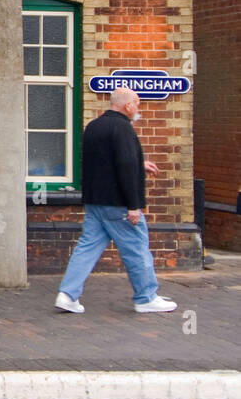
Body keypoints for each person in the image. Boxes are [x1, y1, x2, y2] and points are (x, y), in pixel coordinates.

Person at [55, 87, 177, 314]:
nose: (138, 108)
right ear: (128, 105)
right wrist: (133, 205)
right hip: (118, 205)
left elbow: (103, 162)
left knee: (87, 247)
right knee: (137, 248)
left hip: (95, 202)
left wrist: (140, 164)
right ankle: (146, 297)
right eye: (137, 103)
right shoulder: (123, 129)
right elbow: (125, 167)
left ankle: (67, 294)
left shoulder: (94, 126)